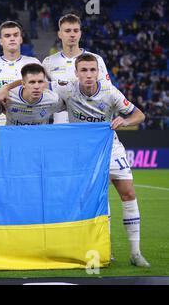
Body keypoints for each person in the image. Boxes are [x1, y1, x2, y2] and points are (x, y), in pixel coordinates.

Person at [52, 54, 150, 268]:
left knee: (129, 193)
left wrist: (124, 120)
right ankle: (107, 250)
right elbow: (49, 107)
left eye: (92, 70)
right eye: (84, 70)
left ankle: (135, 252)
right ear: (76, 73)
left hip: (111, 147)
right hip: (85, 153)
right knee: (98, 201)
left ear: (98, 71)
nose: (89, 75)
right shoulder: (67, 90)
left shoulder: (109, 91)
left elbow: (139, 115)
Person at [42, 14, 111, 123]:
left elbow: (107, 93)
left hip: (88, 123)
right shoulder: (48, 62)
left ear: (80, 34)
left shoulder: (96, 59)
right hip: (62, 127)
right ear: (59, 34)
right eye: (67, 31)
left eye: (75, 30)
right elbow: (44, 95)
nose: (72, 34)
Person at [0, 21, 41, 125]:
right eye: (7, 36)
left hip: (29, 124)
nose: (12, 38)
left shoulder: (34, 63)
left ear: (21, 39)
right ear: (0, 41)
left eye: (15, 35)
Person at [0, 63, 65, 125]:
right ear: (23, 84)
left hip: (38, 140)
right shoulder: (8, 96)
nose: (36, 87)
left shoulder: (53, 100)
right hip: (12, 139)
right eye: (32, 82)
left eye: (40, 82)